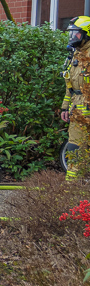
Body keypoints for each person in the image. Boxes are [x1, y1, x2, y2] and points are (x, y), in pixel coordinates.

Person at [61, 16, 90, 180]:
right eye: (71, 34)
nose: (72, 38)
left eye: (76, 34)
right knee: (74, 147)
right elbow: (70, 86)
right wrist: (65, 107)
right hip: (78, 111)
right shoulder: (75, 56)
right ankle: (71, 188)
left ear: (87, 34)